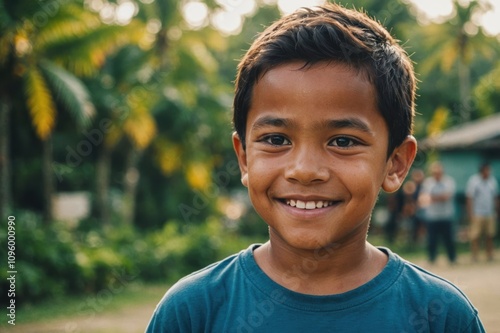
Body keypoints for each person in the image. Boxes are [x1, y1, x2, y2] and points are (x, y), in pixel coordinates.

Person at [146, 4, 484, 332]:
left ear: (395, 163)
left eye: (343, 142)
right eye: (277, 139)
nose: (304, 170)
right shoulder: (193, 312)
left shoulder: (440, 316)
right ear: (245, 157)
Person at [419, 162, 457, 265]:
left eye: (439, 172)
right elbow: (423, 199)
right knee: (432, 240)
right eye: (435, 172)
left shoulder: (448, 181)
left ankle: (452, 258)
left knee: (449, 239)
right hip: (432, 216)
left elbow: (446, 197)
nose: (437, 174)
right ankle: (432, 258)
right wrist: (438, 197)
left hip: (446, 216)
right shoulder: (428, 183)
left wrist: (432, 198)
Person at [466, 162, 499, 262]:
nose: (488, 172)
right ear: (482, 171)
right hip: (477, 213)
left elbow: (495, 197)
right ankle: (475, 256)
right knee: (475, 236)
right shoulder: (474, 181)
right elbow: (469, 198)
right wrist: (470, 213)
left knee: (490, 235)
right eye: (486, 170)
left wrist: (497, 210)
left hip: (489, 212)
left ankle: (489, 255)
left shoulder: (492, 181)